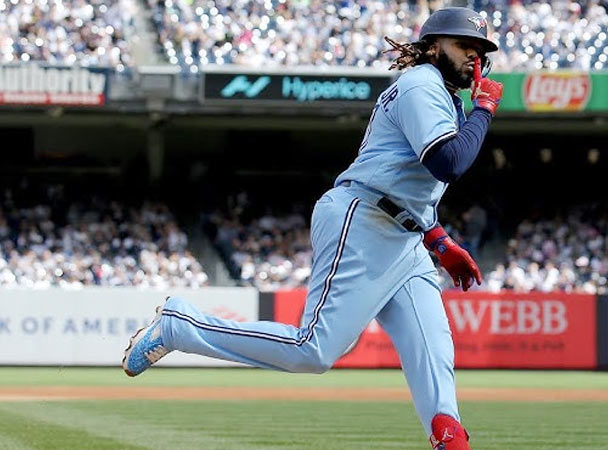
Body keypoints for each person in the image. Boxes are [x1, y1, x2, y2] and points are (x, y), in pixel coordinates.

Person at [122, 7, 503, 450]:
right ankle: (180, 326)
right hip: (363, 221)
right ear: (434, 47)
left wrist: (439, 241)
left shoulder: (440, 94)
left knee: (433, 351)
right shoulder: (421, 83)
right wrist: (485, 110)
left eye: (479, 50)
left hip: (406, 235)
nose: (473, 59)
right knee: (314, 351)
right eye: (464, 47)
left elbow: (407, 180)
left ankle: (450, 439)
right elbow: (447, 162)